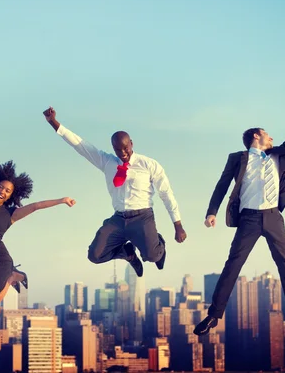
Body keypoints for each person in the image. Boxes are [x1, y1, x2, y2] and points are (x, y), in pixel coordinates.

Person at [194, 99, 285, 338]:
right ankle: (213, 316)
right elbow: (222, 185)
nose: (272, 138)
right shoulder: (237, 159)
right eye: (268, 135)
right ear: (256, 136)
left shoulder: (277, 155)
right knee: (233, 265)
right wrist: (211, 212)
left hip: (273, 217)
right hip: (249, 219)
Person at [42, 107, 186, 277]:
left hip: (143, 217)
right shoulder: (107, 162)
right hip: (118, 219)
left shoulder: (149, 165)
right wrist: (53, 122)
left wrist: (178, 225)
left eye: (126, 147)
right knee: (94, 255)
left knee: (152, 256)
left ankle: (158, 242)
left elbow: (166, 193)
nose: (123, 153)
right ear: (113, 148)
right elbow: (80, 144)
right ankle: (127, 253)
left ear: (131, 143)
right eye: (119, 149)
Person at [0, 134, 76, 311]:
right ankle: (11, 277)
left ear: (11, 196)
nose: (2, 191)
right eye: (0, 187)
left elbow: (36, 206)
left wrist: (62, 200)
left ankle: (11, 276)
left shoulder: (10, 214)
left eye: (7, 191)